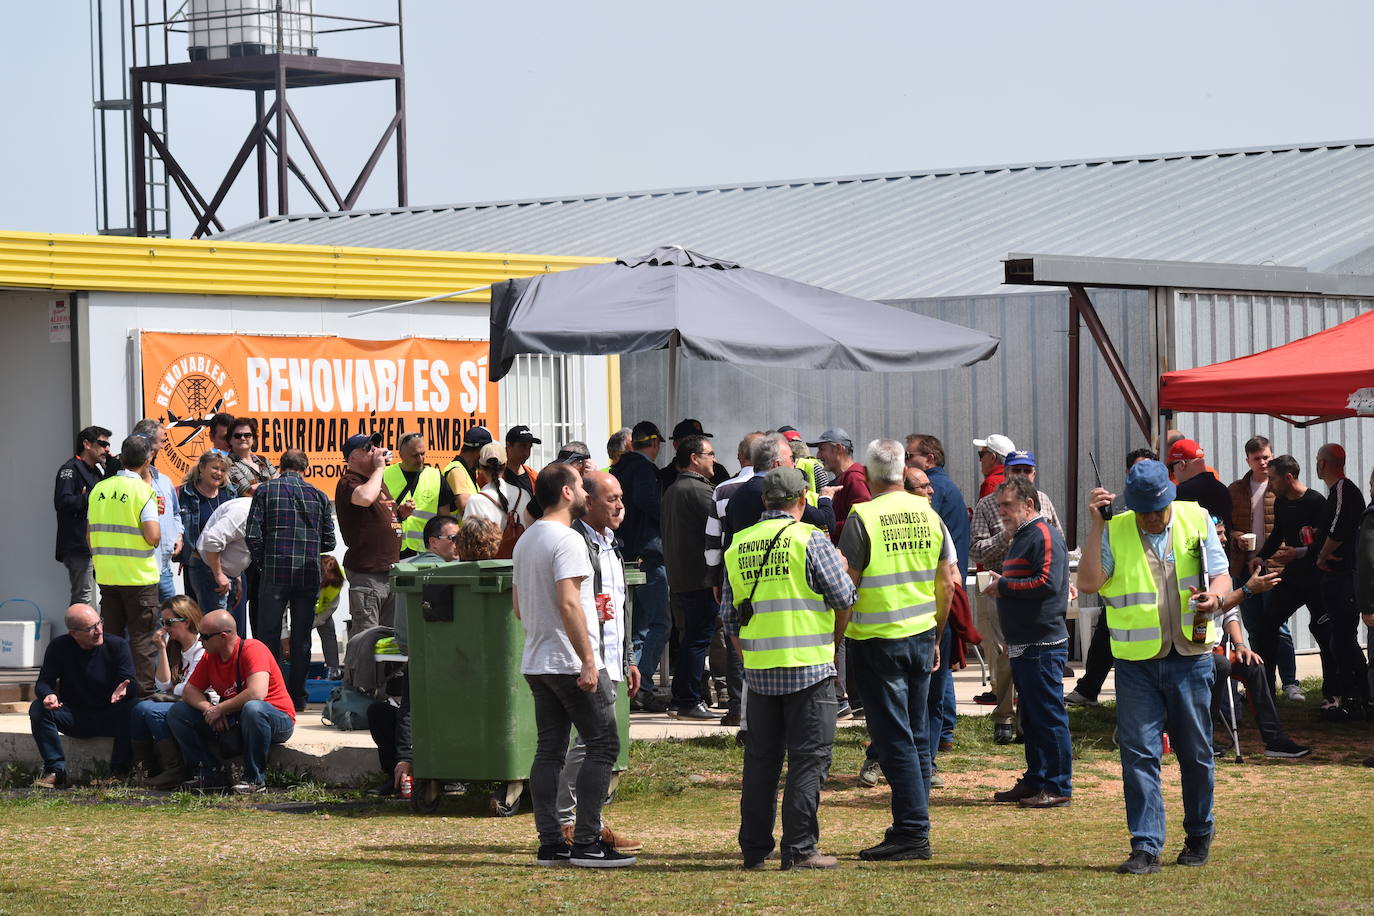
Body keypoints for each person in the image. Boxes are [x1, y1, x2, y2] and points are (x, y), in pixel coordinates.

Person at [1078, 459, 1234, 875]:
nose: (1150, 518)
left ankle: (1199, 832)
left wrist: (1216, 600)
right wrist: (1095, 525)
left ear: (1170, 496)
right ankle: (1145, 845)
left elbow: (1221, 576)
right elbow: (1089, 583)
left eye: (1157, 509)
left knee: (1196, 753)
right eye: (1143, 510)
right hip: (1136, 664)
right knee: (1139, 756)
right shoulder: (1115, 527)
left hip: (1191, 657)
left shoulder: (1195, 517)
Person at [723, 467, 857, 870]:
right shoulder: (810, 539)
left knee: (761, 762)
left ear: (765, 501)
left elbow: (730, 620)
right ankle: (799, 849)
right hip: (809, 668)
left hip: (761, 671)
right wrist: (843, 564)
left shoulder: (738, 545)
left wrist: (750, 661)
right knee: (808, 759)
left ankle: (753, 848)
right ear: (802, 501)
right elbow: (844, 595)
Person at [839, 440, 955, 860]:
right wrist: (938, 634)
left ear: (868, 475)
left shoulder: (862, 516)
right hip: (922, 635)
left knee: (895, 740)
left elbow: (845, 588)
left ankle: (912, 831)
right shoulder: (929, 513)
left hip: (876, 640)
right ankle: (914, 825)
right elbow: (948, 583)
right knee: (918, 735)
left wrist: (837, 642)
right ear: (902, 470)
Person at [514, 463, 634, 868]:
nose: (586, 493)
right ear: (566, 492)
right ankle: (586, 842)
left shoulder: (526, 539)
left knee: (549, 750)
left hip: (538, 659)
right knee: (603, 746)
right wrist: (587, 659)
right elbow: (569, 602)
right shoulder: (567, 540)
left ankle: (551, 843)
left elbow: (518, 607)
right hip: (571, 661)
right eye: (582, 486)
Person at [561, 470, 642, 853]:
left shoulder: (611, 543)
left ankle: (587, 823)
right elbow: (571, 603)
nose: (620, 505)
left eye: (620, 497)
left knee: (598, 743)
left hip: (611, 659)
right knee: (590, 744)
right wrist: (586, 659)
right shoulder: (575, 541)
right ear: (587, 501)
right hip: (587, 659)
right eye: (611, 498)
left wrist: (628, 658)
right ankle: (569, 822)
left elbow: (619, 604)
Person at [981, 476, 1073, 808]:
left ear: (1029, 505)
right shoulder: (1022, 536)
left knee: (1047, 715)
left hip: (1043, 643)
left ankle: (1058, 784)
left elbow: (1048, 584)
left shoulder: (1043, 534)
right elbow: (1027, 580)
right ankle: (1036, 779)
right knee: (1031, 717)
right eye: (1000, 505)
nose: (1001, 511)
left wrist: (1003, 587)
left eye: (1007, 505)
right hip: (1025, 642)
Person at [366, 514, 465, 797]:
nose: (458, 544)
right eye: (453, 538)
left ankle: (433, 772)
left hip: (437, 659)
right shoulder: (433, 572)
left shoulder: (444, 570)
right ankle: (407, 773)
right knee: (389, 711)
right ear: (433, 542)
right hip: (428, 658)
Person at [969, 450, 1063, 742]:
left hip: (1032, 592)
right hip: (997, 586)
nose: (1022, 475)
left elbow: (1057, 537)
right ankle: (1004, 716)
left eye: (1028, 470)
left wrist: (1063, 578)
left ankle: (1027, 721)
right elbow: (976, 549)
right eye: (1016, 470)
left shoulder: (1043, 501)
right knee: (1003, 655)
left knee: (1028, 659)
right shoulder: (989, 504)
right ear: (1005, 472)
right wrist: (1006, 536)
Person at [246, 448, 337, 711]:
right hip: (307, 574)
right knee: (302, 639)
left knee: (268, 636)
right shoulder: (318, 495)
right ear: (305, 468)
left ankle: (271, 693)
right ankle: (297, 697)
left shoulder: (265, 491)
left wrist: (265, 563)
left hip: (274, 572)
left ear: (280, 466)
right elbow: (329, 541)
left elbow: (252, 535)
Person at [166, 609, 295, 794]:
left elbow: (257, 692)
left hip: (276, 718)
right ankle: (210, 773)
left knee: (253, 709)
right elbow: (189, 691)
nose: (199, 640)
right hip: (239, 717)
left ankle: (255, 779)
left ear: (223, 636)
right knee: (178, 713)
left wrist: (221, 709)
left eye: (204, 636)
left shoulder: (253, 649)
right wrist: (209, 709)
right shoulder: (210, 657)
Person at [1067, 447, 1157, 707]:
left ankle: (1090, 687)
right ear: (1128, 474)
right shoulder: (1113, 508)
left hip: (1158, 599)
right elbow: (1088, 581)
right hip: (1121, 589)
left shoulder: (1174, 508)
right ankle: (1090, 687)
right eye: (1138, 470)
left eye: (1150, 469)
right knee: (1106, 636)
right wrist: (1099, 521)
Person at [905, 433, 971, 759]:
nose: (906, 462)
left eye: (910, 456)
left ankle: (937, 737)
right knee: (939, 669)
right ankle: (943, 731)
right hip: (945, 586)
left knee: (934, 675)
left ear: (929, 459)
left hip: (938, 590)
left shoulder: (934, 492)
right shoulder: (944, 487)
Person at [1225, 436, 1303, 702]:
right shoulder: (1236, 489)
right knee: (1254, 626)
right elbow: (1225, 524)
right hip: (1243, 565)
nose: (1262, 462)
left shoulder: (1280, 487)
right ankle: (1260, 683)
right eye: (1257, 458)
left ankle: (1291, 682)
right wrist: (1236, 535)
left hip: (1274, 565)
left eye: (1266, 457)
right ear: (1247, 460)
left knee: (1278, 625)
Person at [29, 603, 136, 788]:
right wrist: (48, 695)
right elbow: (44, 681)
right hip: (74, 715)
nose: (98, 631)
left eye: (99, 623)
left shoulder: (117, 645)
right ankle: (55, 771)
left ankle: (119, 773)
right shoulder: (59, 647)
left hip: (109, 714)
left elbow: (129, 680)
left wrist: (125, 689)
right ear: (73, 633)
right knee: (38, 708)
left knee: (134, 708)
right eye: (90, 628)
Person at [1251, 455, 1330, 703]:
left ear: (1288, 477)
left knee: (1324, 632)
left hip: (1317, 577)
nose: (1270, 483)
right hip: (1293, 578)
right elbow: (1278, 534)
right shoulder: (1282, 502)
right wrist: (1261, 557)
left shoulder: (1316, 501)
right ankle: (1265, 693)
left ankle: (1333, 694)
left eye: (1273, 478)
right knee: (1268, 625)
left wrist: (1299, 552)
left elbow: (1326, 541)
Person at [90, 435, 162, 698]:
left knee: (111, 639)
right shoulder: (144, 491)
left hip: (108, 577)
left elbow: (89, 536)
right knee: (142, 640)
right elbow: (153, 536)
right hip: (138, 579)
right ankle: (142, 697)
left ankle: (111, 691)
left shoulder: (99, 490)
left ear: (120, 458)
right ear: (147, 460)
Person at [704, 431, 768, 727]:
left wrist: (715, 575)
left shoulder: (723, 489)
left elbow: (714, 539)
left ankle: (737, 704)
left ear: (742, 457)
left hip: (735, 569)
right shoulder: (777, 485)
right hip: (773, 568)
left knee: (734, 632)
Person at [612, 421, 671, 712]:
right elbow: (648, 501)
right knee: (661, 622)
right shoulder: (646, 470)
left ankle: (631, 686)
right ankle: (643, 683)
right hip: (648, 554)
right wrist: (667, 524)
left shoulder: (618, 469)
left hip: (626, 555)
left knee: (637, 625)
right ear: (656, 444)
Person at [660, 434, 719, 719]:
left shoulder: (674, 489)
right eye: (710, 454)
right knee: (698, 640)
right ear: (695, 458)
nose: (714, 459)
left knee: (690, 639)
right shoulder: (697, 490)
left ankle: (682, 698)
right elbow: (723, 521)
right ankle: (687, 699)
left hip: (682, 578)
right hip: (700, 579)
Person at [130, 596, 209, 789]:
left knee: (152, 711)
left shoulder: (201, 648)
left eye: (169, 622)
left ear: (187, 620)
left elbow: (188, 689)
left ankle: (175, 770)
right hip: (180, 703)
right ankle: (145, 769)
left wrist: (176, 689)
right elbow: (163, 685)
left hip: (202, 706)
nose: (164, 628)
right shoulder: (175, 647)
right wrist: (162, 649)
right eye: (162, 623)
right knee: (138, 708)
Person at [1313, 443, 1368, 717]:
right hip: (1338, 575)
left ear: (1323, 464)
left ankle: (1354, 696)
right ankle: (1353, 694)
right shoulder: (1337, 492)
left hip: (1344, 575)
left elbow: (1338, 528)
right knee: (1338, 636)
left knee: (1343, 638)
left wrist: (1323, 555)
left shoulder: (1344, 489)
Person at [336, 433, 400, 639]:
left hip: (389, 570)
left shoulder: (376, 481)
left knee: (391, 636)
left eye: (375, 447)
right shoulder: (349, 481)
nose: (375, 451)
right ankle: (362, 672)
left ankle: (388, 672)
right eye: (368, 448)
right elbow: (365, 498)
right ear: (352, 457)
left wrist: (402, 514)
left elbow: (382, 515)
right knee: (367, 636)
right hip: (368, 572)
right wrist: (380, 467)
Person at [54, 425, 112, 606]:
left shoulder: (97, 472)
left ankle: (102, 633)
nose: (107, 449)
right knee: (83, 597)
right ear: (87, 444)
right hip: (79, 546)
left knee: (111, 592)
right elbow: (62, 503)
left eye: (108, 445)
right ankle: (79, 633)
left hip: (97, 545)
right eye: (102, 444)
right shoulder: (70, 469)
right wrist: (88, 497)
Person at [130, 419, 183, 604]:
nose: (162, 447)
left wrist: (179, 535)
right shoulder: (127, 484)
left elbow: (176, 513)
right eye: (160, 442)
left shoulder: (164, 480)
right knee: (142, 627)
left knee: (172, 623)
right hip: (139, 571)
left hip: (164, 570)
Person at [177, 450, 236, 614]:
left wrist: (237, 575)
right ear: (202, 468)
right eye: (215, 468)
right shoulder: (186, 493)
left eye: (223, 470)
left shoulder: (230, 493)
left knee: (226, 618)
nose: (219, 473)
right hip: (197, 565)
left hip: (227, 565)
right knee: (198, 617)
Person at [382, 432, 455, 559]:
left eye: (423, 453)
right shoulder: (384, 475)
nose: (420, 459)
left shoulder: (436, 477)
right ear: (401, 455)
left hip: (426, 552)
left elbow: (444, 519)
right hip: (392, 549)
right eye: (415, 455)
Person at [464, 442, 537, 553]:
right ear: (505, 463)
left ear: (480, 467)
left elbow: (468, 541)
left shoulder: (476, 501)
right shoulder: (524, 494)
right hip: (520, 560)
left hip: (489, 565)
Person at [197, 493, 254, 635]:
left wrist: (237, 576)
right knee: (217, 632)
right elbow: (212, 540)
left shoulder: (255, 510)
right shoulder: (243, 512)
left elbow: (238, 545)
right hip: (211, 571)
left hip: (226, 573)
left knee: (226, 633)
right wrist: (218, 574)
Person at [808, 428, 869, 541]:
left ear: (838, 449)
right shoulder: (846, 478)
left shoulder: (854, 478)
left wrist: (827, 528)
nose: (818, 456)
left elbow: (863, 520)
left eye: (822, 449)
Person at [1170, 438, 1233, 536]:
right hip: (1222, 550)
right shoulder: (1222, 488)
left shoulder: (1181, 492)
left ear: (1182, 465)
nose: (1173, 473)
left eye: (1171, 467)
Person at [659, 419, 731, 491]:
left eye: (701, 439)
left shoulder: (718, 471)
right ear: (675, 444)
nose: (698, 445)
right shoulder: (664, 476)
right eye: (690, 441)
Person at [443, 424, 493, 513]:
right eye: (488, 451)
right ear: (481, 450)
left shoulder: (469, 471)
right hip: (462, 527)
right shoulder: (457, 471)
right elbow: (466, 509)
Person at [225, 417, 277, 495]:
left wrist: (258, 486)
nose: (242, 438)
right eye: (237, 436)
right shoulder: (227, 463)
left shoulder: (262, 460)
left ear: (253, 439)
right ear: (230, 440)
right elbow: (247, 491)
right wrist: (273, 484)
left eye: (247, 435)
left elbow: (280, 481)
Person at [315, 555, 346, 677]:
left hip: (322, 610)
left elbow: (330, 607)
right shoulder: (307, 576)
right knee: (300, 636)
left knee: (328, 630)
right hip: (302, 606)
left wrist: (314, 622)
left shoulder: (336, 580)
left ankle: (333, 670)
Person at [504, 425, 544, 519]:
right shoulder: (493, 474)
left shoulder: (533, 476)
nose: (527, 453)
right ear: (509, 446)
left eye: (529, 447)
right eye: (522, 446)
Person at [973, 433, 1016, 499]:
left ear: (993, 458)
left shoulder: (991, 483)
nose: (980, 460)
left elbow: (986, 509)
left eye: (981, 455)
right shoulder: (1017, 480)